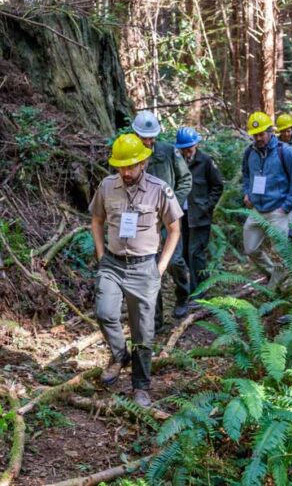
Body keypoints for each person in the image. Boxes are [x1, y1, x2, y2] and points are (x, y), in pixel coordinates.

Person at [89, 134, 184, 407]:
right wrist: (101, 254)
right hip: (113, 264)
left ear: (143, 162)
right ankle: (120, 355)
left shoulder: (159, 189)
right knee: (105, 313)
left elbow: (174, 228)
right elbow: (96, 220)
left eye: (131, 166)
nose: (126, 172)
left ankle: (141, 386)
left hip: (144, 267)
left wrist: (162, 265)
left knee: (143, 332)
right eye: (121, 166)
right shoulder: (107, 186)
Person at [131, 111, 193, 327]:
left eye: (151, 137)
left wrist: (173, 205)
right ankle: (155, 319)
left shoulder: (168, 151)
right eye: (144, 138)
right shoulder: (129, 154)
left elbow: (185, 179)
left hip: (169, 220)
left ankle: (183, 295)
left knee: (175, 261)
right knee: (149, 267)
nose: (148, 142)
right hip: (143, 223)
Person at [174, 127, 224, 303]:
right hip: (182, 216)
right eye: (183, 148)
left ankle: (198, 294)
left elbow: (217, 186)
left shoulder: (206, 161)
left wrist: (207, 206)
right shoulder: (177, 161)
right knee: (186, 254)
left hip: (200, 216)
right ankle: (199, 284)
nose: (187, 151)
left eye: (190, 147)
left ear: (196, 144)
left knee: (196, 253)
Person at [241, 112, 292, 251]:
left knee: (279, 255)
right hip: (257, 209)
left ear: (269, 131)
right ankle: (270, 272)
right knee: (250, 250)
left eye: (261, 134)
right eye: (255, 135)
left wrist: (286, 207)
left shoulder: (286, 151)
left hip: (278, 209)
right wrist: (246, 192)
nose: (258, 138)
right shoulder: (249, 152)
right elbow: (245, 174)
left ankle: (278, 273)